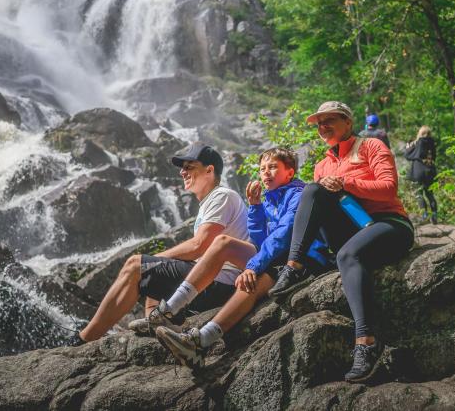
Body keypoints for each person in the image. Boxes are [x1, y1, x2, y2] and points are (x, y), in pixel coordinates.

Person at [266, 101, 414, 383]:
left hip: (388, 224)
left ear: (347, 122)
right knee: (312, 190)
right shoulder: (322, 164)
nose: (323, 127)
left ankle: (366, 344)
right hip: (351, 231)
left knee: (348, 256)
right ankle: (294, 265)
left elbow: (389, 188)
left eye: (329, 120)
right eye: (319, 124)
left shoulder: (371, 146)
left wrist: (346, 183)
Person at [155, 147, 330, 369]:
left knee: (253, 281)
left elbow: (282, 236)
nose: (266, 172)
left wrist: (253, 266)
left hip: (305, 258)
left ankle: (200, 340)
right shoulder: (269, 200)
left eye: (273, 167)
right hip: (280, 259)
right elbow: (260, 239)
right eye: (262, 168)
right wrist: (256, 208)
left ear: (290, 172)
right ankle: (173, 314)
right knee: (233, 256)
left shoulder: (298, 195)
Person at [68, 143, 249, 345]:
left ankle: (83, 339)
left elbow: (199, 245)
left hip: (219, 285)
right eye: (182, 168)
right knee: (152, 285)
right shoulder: (210, 202)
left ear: (209, 170)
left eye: (189, 167)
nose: (182, 172)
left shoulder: (222, 196)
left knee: (135, 266)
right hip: (211, 284)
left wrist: (156, 259)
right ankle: (155, 328)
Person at [404, 126, 438, 224]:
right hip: (430, 171)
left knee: (419, 194)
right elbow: (434, 156)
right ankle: (434, 216)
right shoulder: (432, 143)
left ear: (420, 133)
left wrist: (408, 147)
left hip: (418, 171)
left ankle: (424, 216)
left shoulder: (418, 142)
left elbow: (407, 155)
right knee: (430, 194)